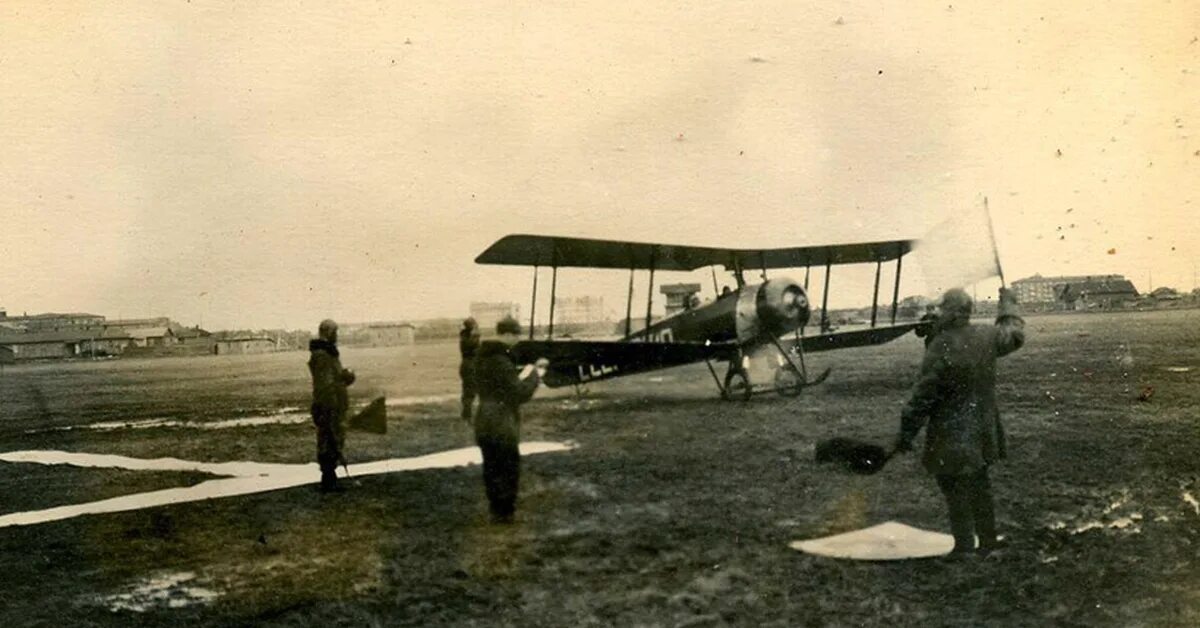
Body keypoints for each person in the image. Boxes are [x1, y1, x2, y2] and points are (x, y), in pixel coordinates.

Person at [893, 287, 1025, 558]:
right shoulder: (986, 335)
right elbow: (1014, 335)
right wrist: (1008, 304)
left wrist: (906, 434)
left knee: (953, 487)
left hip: (950, 430)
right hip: (982, 427)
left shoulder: (941, 345)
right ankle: (988, 541)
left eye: (940, 308)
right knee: (979, 483)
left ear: (951, 312)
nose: (935, 313)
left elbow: (923, 397)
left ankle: (964, 545)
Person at [472, 316, 545, 523]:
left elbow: (503, 385)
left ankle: (497, 510)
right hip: (501, 420)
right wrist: (535, 375)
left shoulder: (482, 357)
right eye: (516, 335)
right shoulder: (500, 360)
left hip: (484, 417)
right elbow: (518, 393)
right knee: (507, 466)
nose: (517, 339)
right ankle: (504, 514)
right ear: (507, 334)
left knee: (492, 466)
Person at [308, 319, 356, 492]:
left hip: (332, 403)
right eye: (335, 331)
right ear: (328, 332)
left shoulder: (328, 353)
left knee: (334, 439)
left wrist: (344, 377)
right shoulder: (322, 355)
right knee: (329, 439)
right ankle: (328, 479)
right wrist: (329, 407)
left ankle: (330, 477)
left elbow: (331, 380)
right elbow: (325, 385)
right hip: (329, 405)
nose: (337, 335)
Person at [459, 317, 481, 420]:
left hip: (465, 365)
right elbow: (476, 349)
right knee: (470, 391)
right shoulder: (471, 339)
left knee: (467, 390)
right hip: (471, 365)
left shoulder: (464, 336)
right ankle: (467, 415)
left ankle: (466, 413)